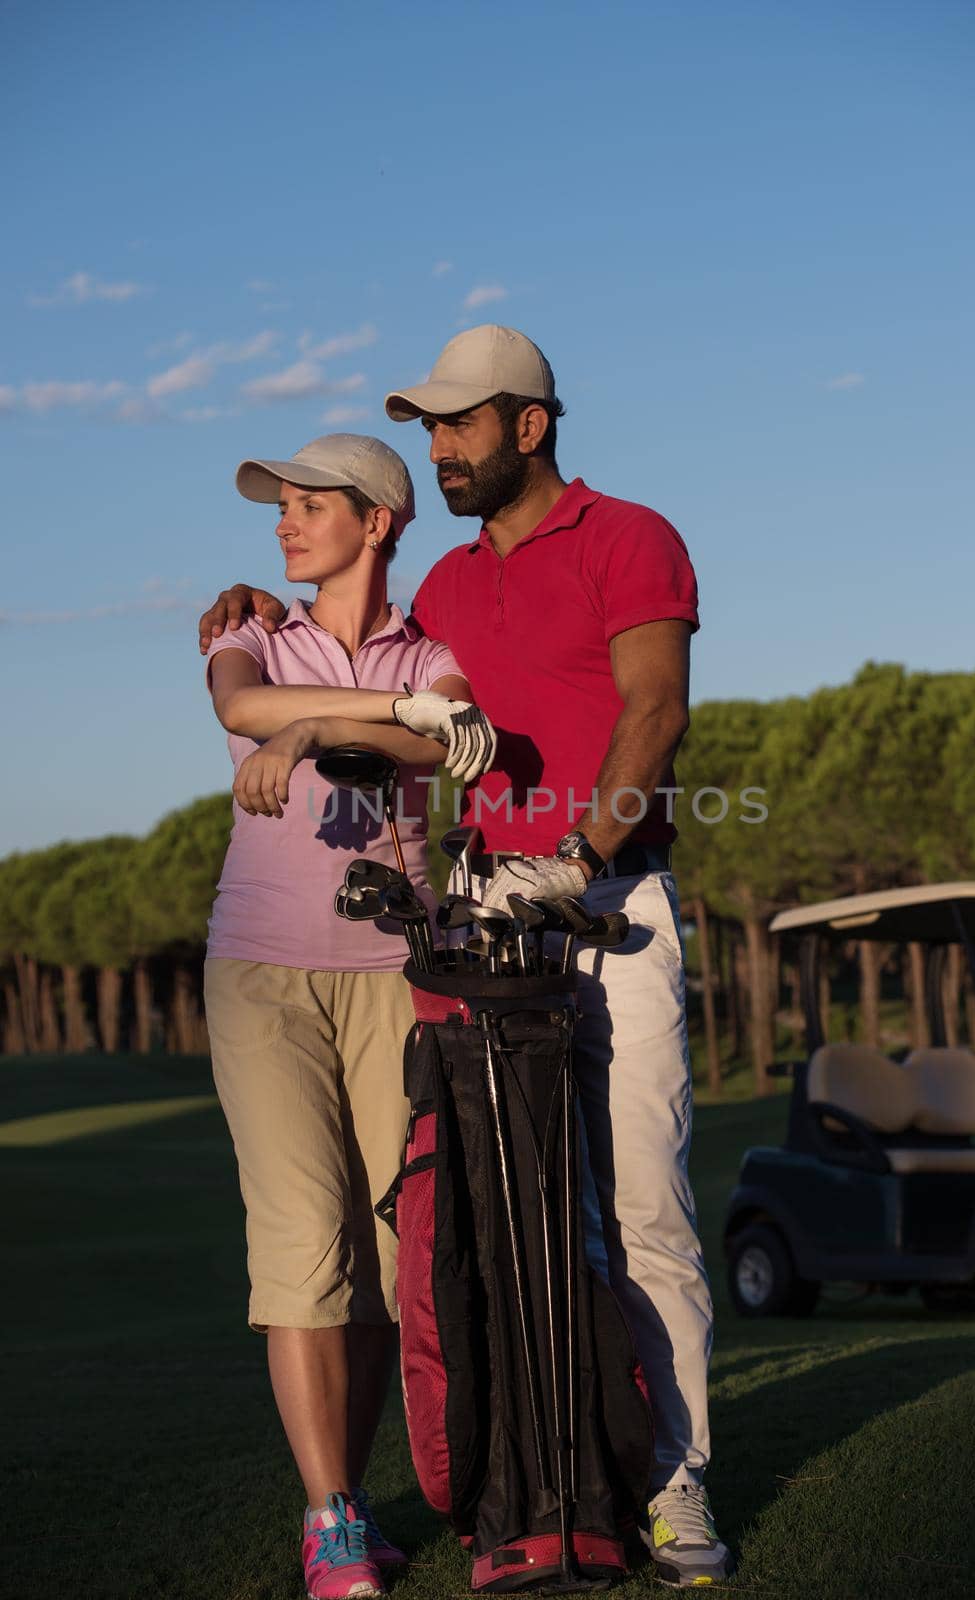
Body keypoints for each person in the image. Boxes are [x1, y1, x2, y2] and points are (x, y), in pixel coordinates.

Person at [198, 331, 734, 1589]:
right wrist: (264, 606)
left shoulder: (629, 536)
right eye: (427, 432)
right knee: (496, 1215)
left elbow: (654, 705)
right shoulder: (439, 582)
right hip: (480, 917)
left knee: (642, 1202)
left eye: (459, 427)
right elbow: (373, 660)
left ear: (529, 427)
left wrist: (586, 849)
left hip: (609, 905)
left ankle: (670, 1480)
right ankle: (531, 1477)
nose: (440, 448)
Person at [201, 432, 495, 1600]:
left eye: (310, 503)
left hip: (399, 972)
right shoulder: (249, 626)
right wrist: (357, 712)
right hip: (262, 975)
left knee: (387, 1255)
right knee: (303, 1245)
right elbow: (243, 702)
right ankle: (328, 1517)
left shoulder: (441, 649)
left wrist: (319, 727)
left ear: (378, 520)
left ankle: (352, 1495)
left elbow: (449, 738)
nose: (284, 522)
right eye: (281, 507)